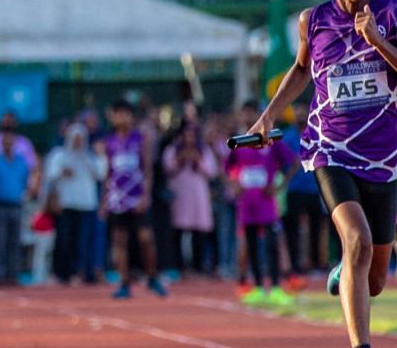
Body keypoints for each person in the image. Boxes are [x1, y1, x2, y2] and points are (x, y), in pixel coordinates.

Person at [248, 0, 397, 348]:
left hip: (386, 158)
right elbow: (300, 69)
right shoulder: (312, 21)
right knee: (356, 239)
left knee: (374, 280)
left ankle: (344, 270)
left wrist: (376, 40)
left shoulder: (391, 14)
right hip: (330, 149)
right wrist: (268, 116)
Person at [225, 115, 295, 306]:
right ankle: (256, 287)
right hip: (247, 205)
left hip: (267, 203)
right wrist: (234, 185)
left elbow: (293, 161)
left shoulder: (269, 140)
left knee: (272, 245)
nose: (248, 121)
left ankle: (275, 287)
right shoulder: (239, 143)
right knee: (251, 245)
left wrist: (280, 185)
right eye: (244, 116)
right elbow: (226, 168)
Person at [102, 100, 167, 298]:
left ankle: (152, 277)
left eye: (125, 113)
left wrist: (145, 196)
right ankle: (124, 283)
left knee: (146, 238)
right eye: (117, 113)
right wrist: (104, 200)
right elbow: (108, 172)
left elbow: (147, 169)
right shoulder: (110, 142)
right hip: (117, 199)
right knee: (119, 241)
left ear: (132, 117)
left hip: (137, 197)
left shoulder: (140, 139)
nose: (121, 118)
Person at [46, 123, 105, 284]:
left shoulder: (90, 156)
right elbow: (50, 175)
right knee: (64, 240)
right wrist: (61, 172)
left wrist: (99, 155)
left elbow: (102, 173)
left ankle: (80, 272)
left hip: (86, 205)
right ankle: (61, 273)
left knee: (83, 241)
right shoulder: (60, 155)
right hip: (65, 204)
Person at [162, 122, 217, 276]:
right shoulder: (173, 150)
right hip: (180, 195)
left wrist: (197, 159)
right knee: (178, 232)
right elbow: (166, 167)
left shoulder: (203, 150)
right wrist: (180, 159)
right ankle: (179, 266)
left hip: (198, 196)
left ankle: (198, 266)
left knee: (198, 233)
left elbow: (212, 171)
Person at [281, 102, 327, 284]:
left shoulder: (317, 134)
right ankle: (294, 265)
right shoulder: (286, 137)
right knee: (292, 229)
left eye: (303, 110)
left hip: (315, 187)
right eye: (297, 110)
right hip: (294, 189)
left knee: (316, 227)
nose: (300, 113)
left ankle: (315, 264)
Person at [0, 127, 32, 286]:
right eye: (5, 140)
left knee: (15, 241)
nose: (8, 143)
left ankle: (13, 273)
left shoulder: (21, 162)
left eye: (11, 140)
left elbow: (25, 181)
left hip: (16, 205)